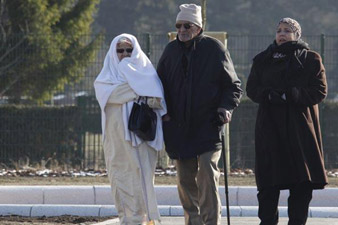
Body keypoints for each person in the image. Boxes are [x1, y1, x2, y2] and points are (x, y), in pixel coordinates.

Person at [157, 4, 243, 225]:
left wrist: (225, 107)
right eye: (179, 25)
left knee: (207, 176)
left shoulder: (215, 49)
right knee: (185, 180)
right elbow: (159, 85)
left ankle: (211, 221)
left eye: (187, 25)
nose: (182, 29)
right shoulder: (170, 51)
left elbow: (233, 85)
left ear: (198, 27)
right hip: (177, 126)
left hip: (208, 125)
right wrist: (163, 112)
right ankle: (193, 222)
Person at [246, 18, 328, 225]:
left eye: (287, 31)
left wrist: (291, 95)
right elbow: (252, 89)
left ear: (297, 35)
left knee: (301, 184)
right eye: (279, 30)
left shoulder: (310, 59)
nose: (282, 34)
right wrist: (269, 95)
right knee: (268, 185)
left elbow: (319, 91)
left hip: (300, 131)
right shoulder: (263, 59)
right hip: (269, 129)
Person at [94, 33, 167, 225]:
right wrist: (139, 88)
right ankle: (127, 219)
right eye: (120, 50)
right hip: (117, 138)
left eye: (129, 50)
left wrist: (136, 89)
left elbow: (158, 99)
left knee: (142, 178)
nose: (125, 54)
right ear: (113, 52)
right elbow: (107, 95)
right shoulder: (106, 76)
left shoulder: (146, 71)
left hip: (141, 137)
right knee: (121, 177)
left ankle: (144, 219)